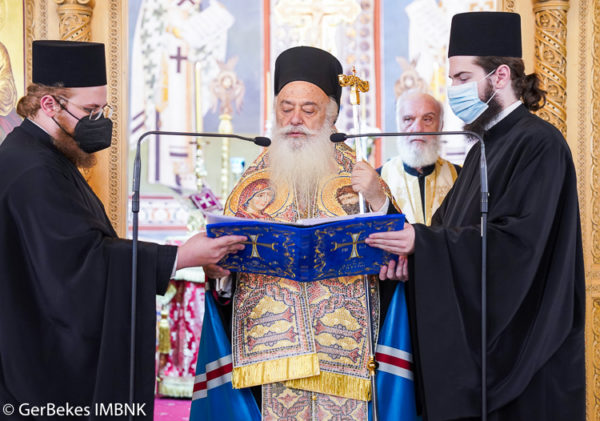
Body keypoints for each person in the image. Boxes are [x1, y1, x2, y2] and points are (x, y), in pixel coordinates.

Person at [0, 40, 245, 419]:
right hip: (41, 371)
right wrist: (181, 256)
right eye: (89, 111)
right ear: (48, 105)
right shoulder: (34, 170)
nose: (99, 121)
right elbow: (77, 266)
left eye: (103, 109)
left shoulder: (43, 156)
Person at [366, 12, 585, 420]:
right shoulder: (481, 149)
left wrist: (423, 244)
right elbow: (443, 231)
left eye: (462, 78)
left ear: (500, 76)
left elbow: (519, 250)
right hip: (483, 361)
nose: (454, 90)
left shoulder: (540, 144)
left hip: (525, 360)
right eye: (452, 79)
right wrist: (409, 254)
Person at [202, 46, 399, 419]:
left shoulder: (361, 177)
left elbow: (396, 257)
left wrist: (377, 199)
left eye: (309, 110)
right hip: (271, 353)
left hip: (344, 351)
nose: (295, 119)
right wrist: (219, 273)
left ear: (331, 115)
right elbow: (225, 269)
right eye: (285, 108)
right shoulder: (251, 183)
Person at [380, 90, 460, 225]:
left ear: (441, 126)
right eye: (408, 119)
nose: (417, 128)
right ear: (398, 124)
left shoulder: (460, 176)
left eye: (427, 119)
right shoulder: (379, 179)